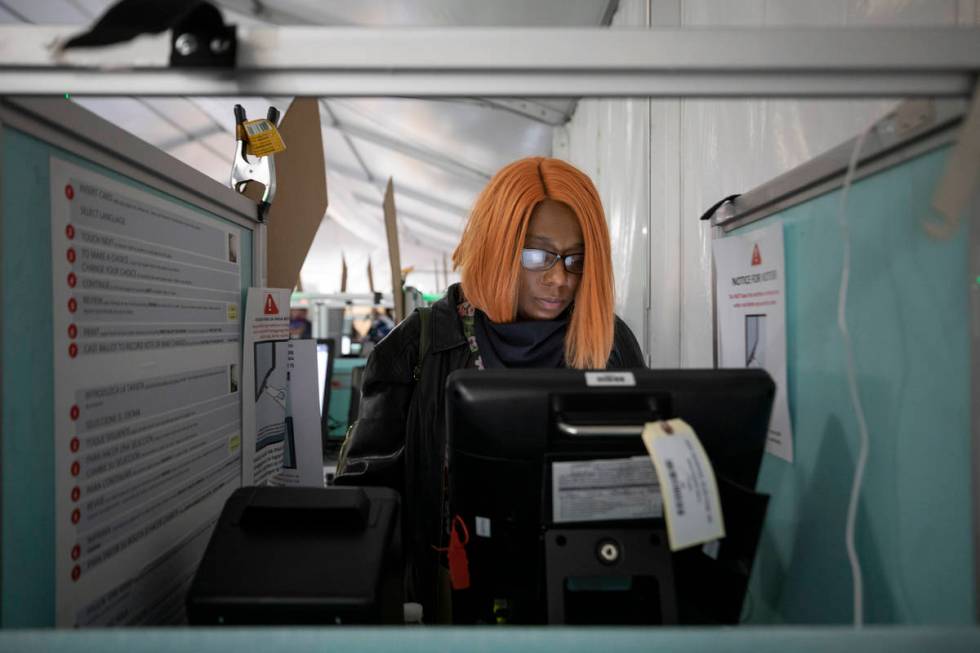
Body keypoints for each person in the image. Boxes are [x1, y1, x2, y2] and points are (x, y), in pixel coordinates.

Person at [334, 156, 644, 620]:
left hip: (577, 598)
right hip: (453, 603)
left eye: (576, 259)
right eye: (538, 255)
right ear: (498, 245)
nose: (560, 278)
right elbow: (369, 501)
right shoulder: (417, 347)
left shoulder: (610, 342)